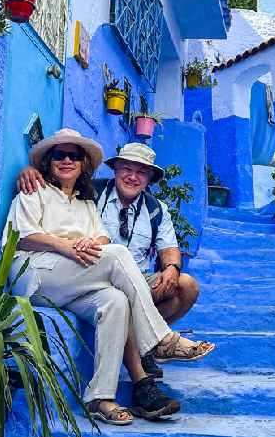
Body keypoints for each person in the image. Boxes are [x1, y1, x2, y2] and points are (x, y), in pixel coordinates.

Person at [5, 128, 214, 426]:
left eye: (73, 156)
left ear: (83, 164)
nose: (66, 160)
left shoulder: (86, 200)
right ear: (48, 162)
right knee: (117, 256)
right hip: (37, 274)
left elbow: (102, 238)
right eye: (59, 155)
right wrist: (66, 245)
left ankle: (100, 397)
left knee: (116, 301)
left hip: (83, 277)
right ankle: (160, 341)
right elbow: (23, 236)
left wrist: (92, 245)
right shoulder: (36, 190)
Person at [18, 142, 201, 378]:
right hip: (95, 278)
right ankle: (153, 348)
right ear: (115, 170)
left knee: (186, 285)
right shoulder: (90, 192)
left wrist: (172, 268)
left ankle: (145, 345)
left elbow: (170, 248)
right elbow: (62, 179)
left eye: (141, 172)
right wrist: (29, 170)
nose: (132, 177)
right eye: (127, 169)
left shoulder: (156, 209)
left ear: (149, 179)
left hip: (140, 281)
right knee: (119, 293)